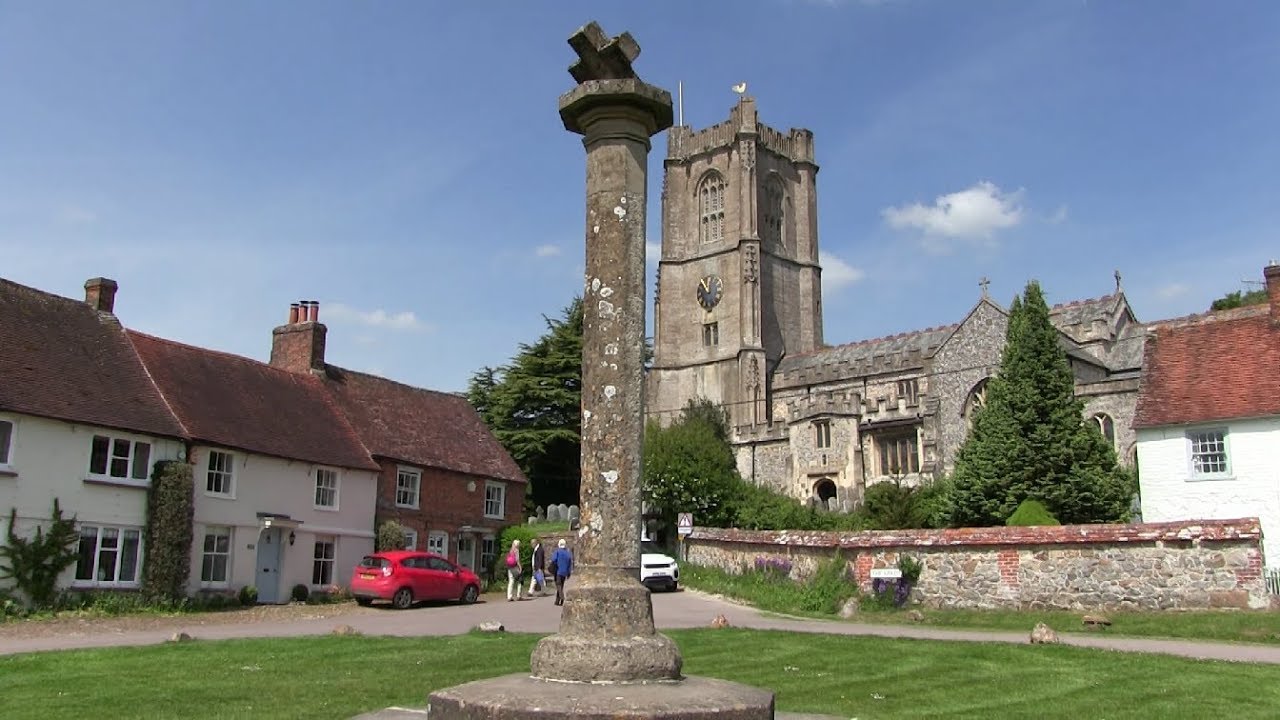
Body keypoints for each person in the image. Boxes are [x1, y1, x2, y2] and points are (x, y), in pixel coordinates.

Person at [550, 538, 573, 606]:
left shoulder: (557, 552)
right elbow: (569, 563)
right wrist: (569, 573)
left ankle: (562, 597)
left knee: (558, 585)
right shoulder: (567, 553)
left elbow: (554, 560)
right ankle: (557, 601)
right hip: (565, 572)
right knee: (561, 585)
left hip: (558, 571)